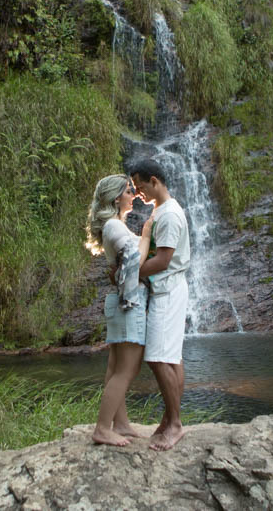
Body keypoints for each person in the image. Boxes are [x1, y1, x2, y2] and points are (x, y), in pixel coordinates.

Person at [85, 174, 153, 446]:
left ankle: (121, 424)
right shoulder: (114, 226)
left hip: (120, 302)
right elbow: (134, 260)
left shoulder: (114, 225)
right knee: (127, 369)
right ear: (116, 198)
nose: (134, 194)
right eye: (128, 190)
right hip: (129, 304)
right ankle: (103, 429)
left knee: (115, 367)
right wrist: (146, 235)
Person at [130, 159, 190, 451]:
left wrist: (130, 274)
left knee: (156, 358)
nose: (137, 193)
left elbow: (163, 260)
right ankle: (169, 420)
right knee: (172, 357)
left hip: (168, 292)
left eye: (140, 188)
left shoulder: (168, 216)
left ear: (154, 181)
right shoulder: (161, 210)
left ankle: (175, 424)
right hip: (171, 290)